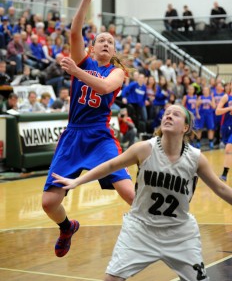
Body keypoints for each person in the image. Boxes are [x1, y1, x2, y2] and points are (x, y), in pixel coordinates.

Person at [52, 103, 232, 281]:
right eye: (166, 113)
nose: (168, 116)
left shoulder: (195, 158)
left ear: (185, 127)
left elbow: (220, 187)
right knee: (111, 279)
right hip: (140, 228)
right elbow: (110, 165)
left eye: (175, 114)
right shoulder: (144, 149)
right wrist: (77, 180)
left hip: (179, 233)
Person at [41, 0, 135, 259]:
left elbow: (105, 87)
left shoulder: (117, 72)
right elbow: (74, 32)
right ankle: (67, 226)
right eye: (100, 40)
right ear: (92, 48)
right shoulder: (84, 59)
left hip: (99, 136)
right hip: (73, 135)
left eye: (110, 42)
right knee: (49, 203)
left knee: (130, 194)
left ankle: (155, 230)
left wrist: (76, 72)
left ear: (114, 51)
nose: (105, 43)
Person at [216, 81, 232, 181]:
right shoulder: (226, 97)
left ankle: (224, 174)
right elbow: (217, 111)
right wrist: (229, 108)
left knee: (228, 149)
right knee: (229, 150)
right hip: (227, 126)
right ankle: (225, 174)